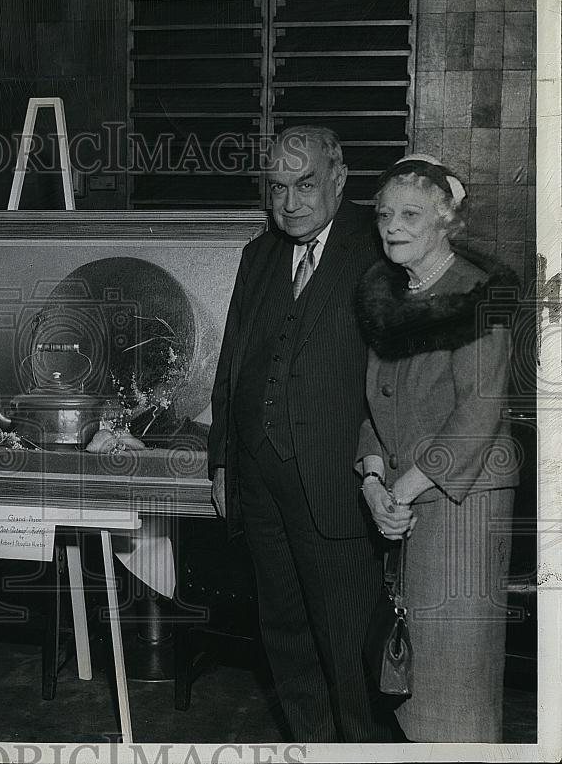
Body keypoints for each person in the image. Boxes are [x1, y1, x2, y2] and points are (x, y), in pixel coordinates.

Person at [208, 126, 390, 741]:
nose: (290, 202)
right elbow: (231, 366)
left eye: (305, 184)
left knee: (347, 650)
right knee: (284, 639)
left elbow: (395, 378)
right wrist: (221, 463)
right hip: (260, 487)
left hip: (337, 485)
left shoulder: (378, 249)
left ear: (338, 180)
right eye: (278, 187)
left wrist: (383, 465)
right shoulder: (257, 256)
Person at [355, 155, 519, 742]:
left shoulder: (478, 295)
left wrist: (398, 490)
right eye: (384, 215)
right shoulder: (389, 293)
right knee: (409, 678)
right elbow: (377, 401)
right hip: (402, 503)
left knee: (457, 686)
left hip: (460, 506)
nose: (393, 226)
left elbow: (479, 413)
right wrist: (372, 479)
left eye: (411, 214)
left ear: (447, 220)